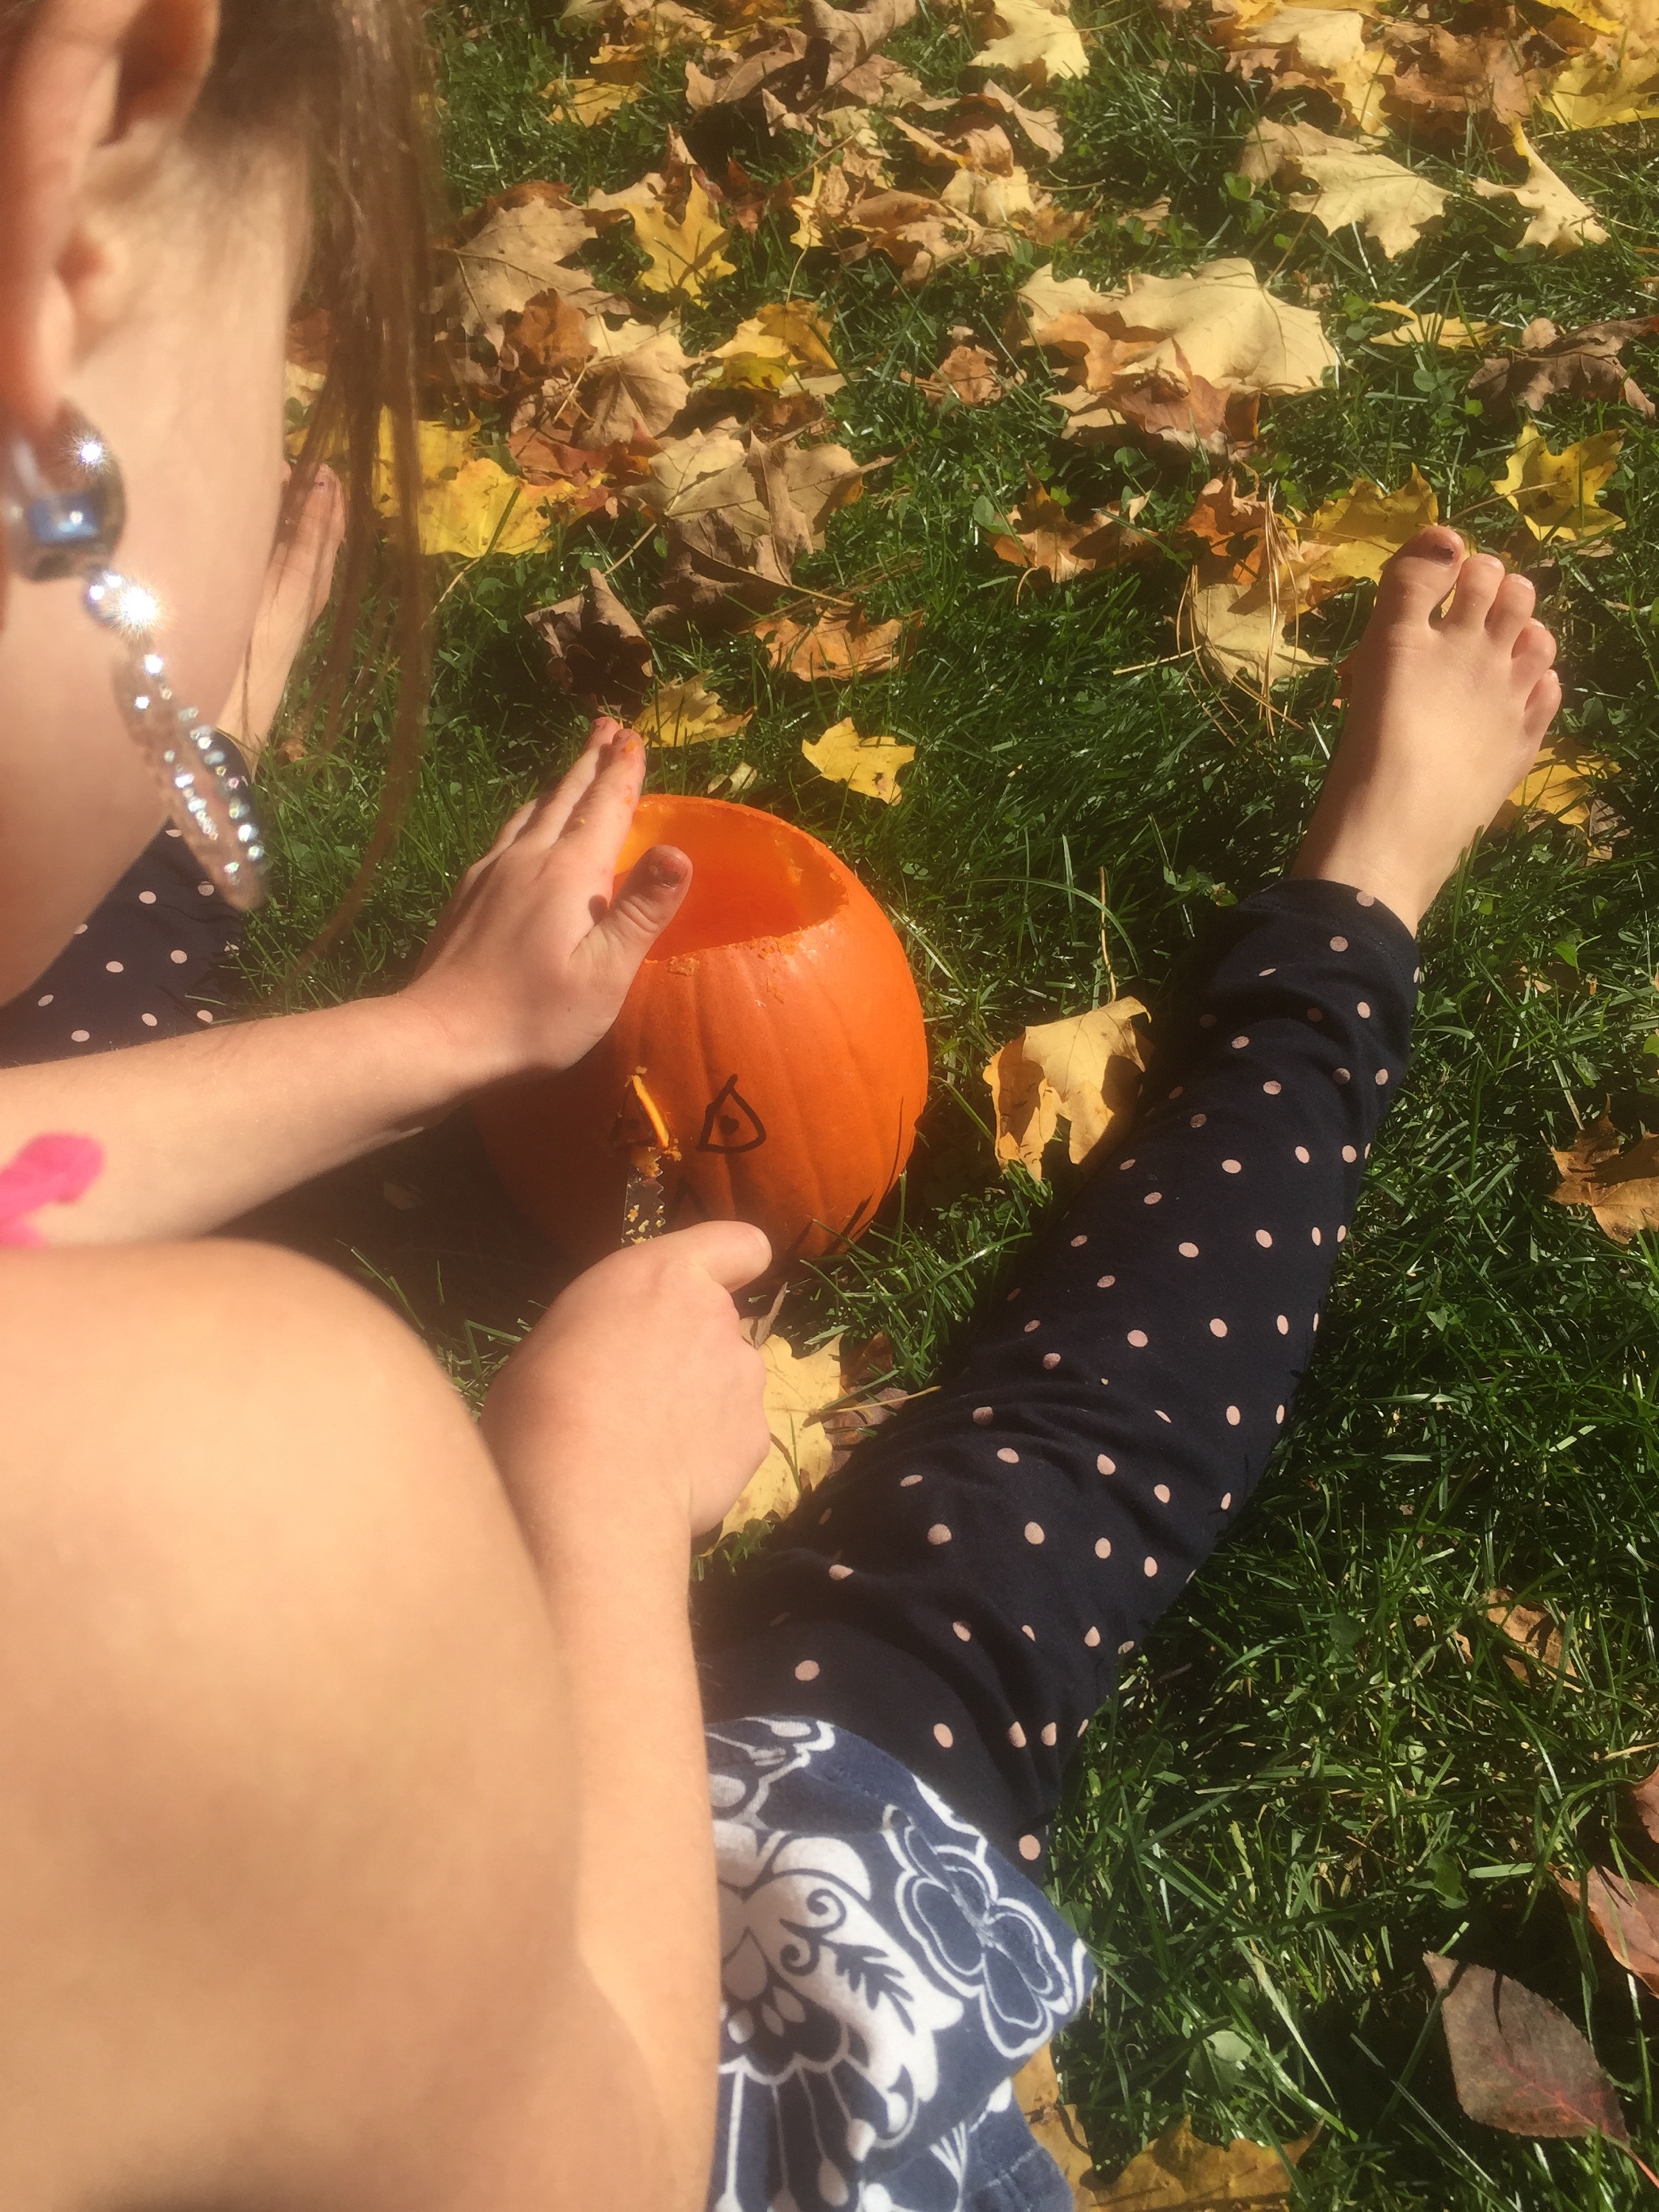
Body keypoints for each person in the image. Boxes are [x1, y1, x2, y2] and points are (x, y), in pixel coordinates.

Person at [0, 1, 1562, 2207]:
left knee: (57, 1065)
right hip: (673, 2113)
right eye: (273, 367)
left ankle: (163, 798)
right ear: (60, 200)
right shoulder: (215, 1497)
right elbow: (617, 2145)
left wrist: (429, 1040)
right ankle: (1360, 911)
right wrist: (599, 1501)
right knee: (953, 1600)